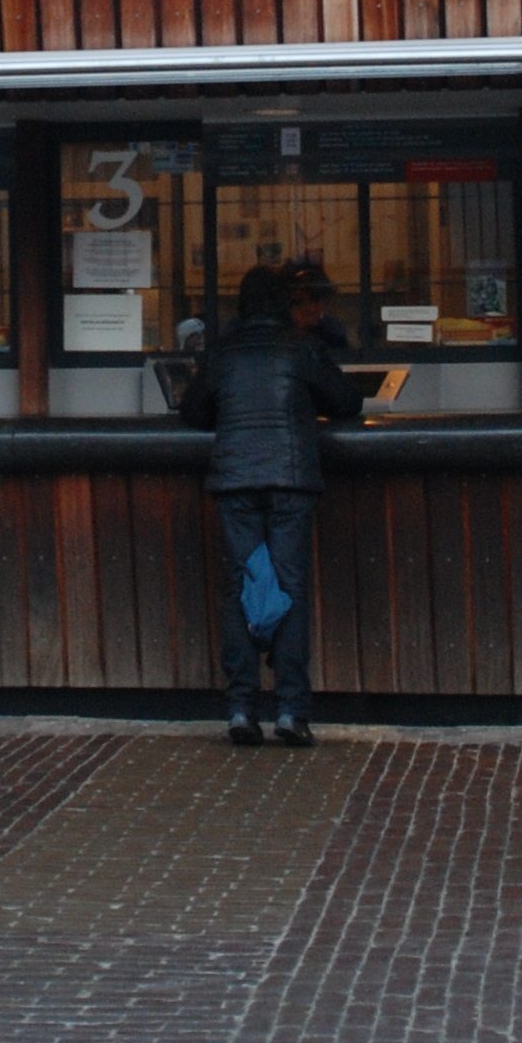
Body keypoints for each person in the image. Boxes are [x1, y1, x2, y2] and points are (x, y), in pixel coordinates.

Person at [178, 260, 364, 747]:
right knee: (289, 587)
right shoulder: (303, 347)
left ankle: (241, 708)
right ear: (284, 304)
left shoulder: (222, 352)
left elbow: (192, 410)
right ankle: (291, 711)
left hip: (237, 479)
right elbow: (348, 400)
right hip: (291, 478)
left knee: (245, 586)